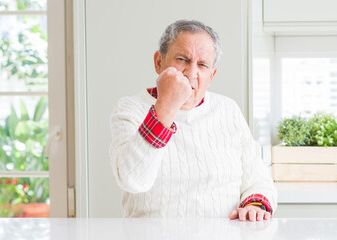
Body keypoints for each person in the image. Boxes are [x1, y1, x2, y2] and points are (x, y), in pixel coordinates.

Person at [109, 20, 276, 221]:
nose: (191, 73)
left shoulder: (228, 110)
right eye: (182, 59)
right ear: (158, 62)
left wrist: (255, 205)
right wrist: (166, 106)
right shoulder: (131, 108)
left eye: (203, 65)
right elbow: (132, 180)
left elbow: (258, 180)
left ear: (211, 75)